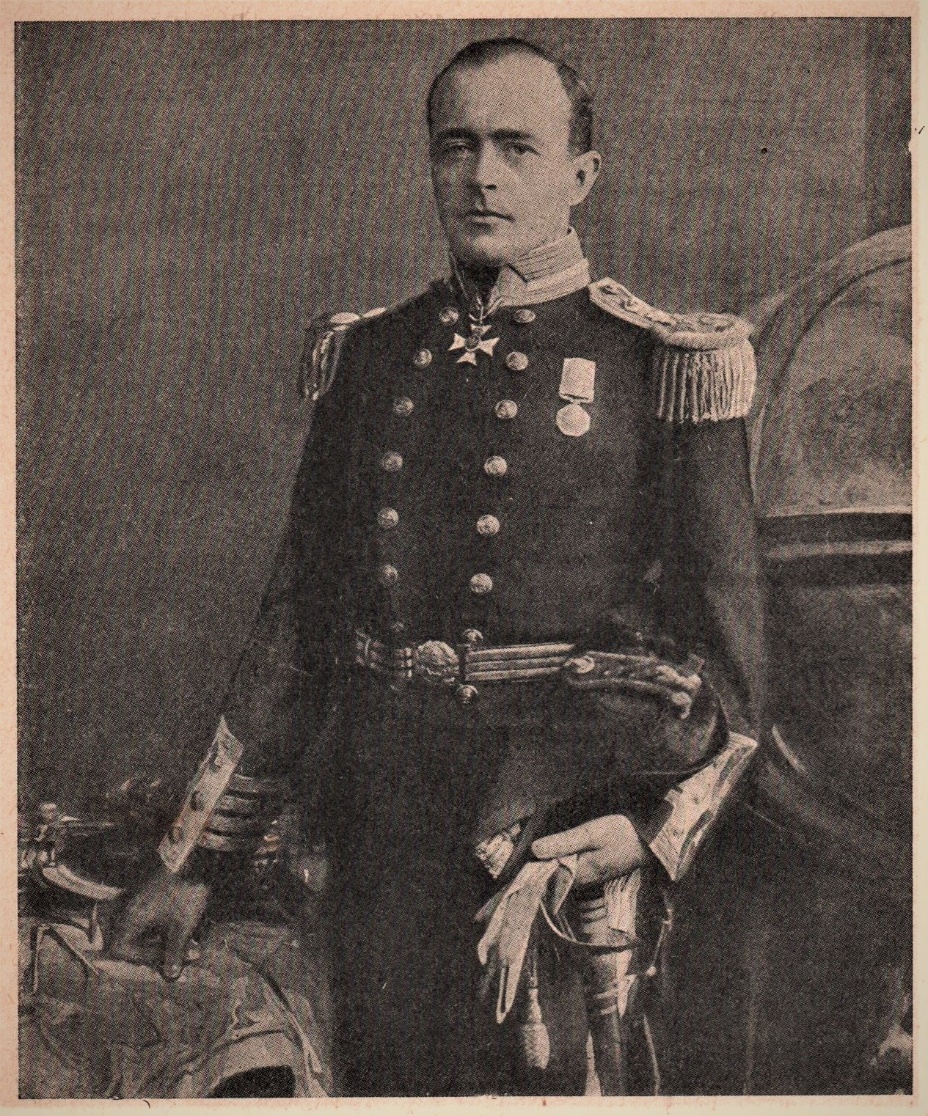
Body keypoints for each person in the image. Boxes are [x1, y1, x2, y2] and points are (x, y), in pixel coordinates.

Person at [110, 37, 765, 1096]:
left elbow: (731, 662)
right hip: (381, 817)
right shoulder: (370, 356)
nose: (482, 176)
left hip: (556, 819)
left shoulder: (661, 363)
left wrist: (649, 833)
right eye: (456, 147)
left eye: (516, 147)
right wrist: (191, 863)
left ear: (581, 175)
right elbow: (297, 629)